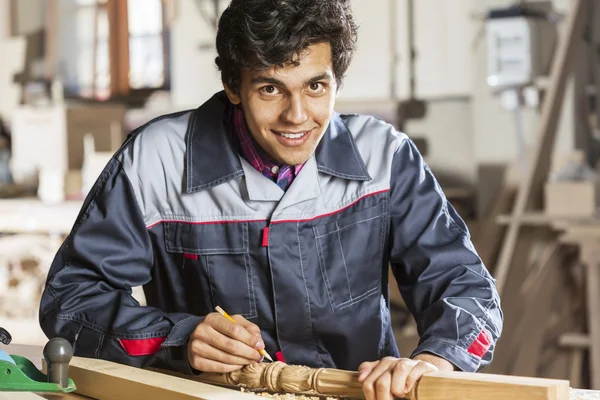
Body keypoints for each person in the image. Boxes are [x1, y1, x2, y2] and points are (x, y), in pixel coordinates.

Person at [39, 0, 503, 399]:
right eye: (270, 88)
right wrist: (177, 339)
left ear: (336, 81)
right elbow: (70, 301)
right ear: (233, 86)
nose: (296, 116)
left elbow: (464, 286)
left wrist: (437, 362)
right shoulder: (155, 160)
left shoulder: (385, 157)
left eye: (316, 86)